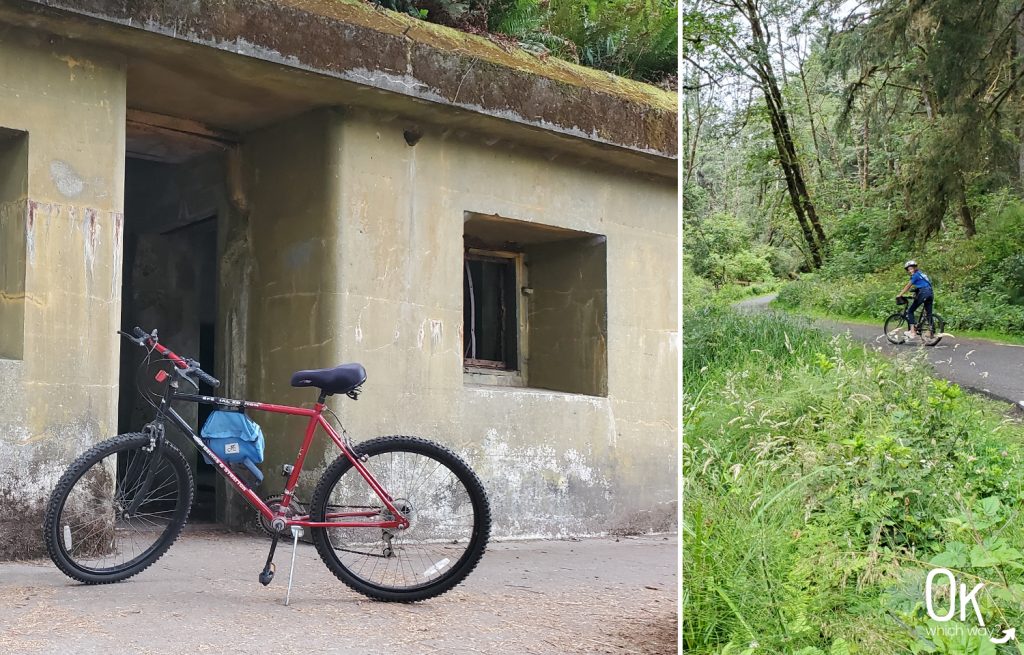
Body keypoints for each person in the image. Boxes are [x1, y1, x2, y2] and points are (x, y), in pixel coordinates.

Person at [897, 260, 933, 339]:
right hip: (930, 293)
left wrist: (900, 295)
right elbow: (925, 284)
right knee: (928, 314)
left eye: (911, 268)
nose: (910, 271)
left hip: (924, 292)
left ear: (915, 268)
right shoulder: (922, 274)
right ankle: (931, 332)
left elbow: (908, 286)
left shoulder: (915, 275)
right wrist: (917, 292)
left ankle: (912, 332)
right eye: (909, 269)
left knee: (910, 311)